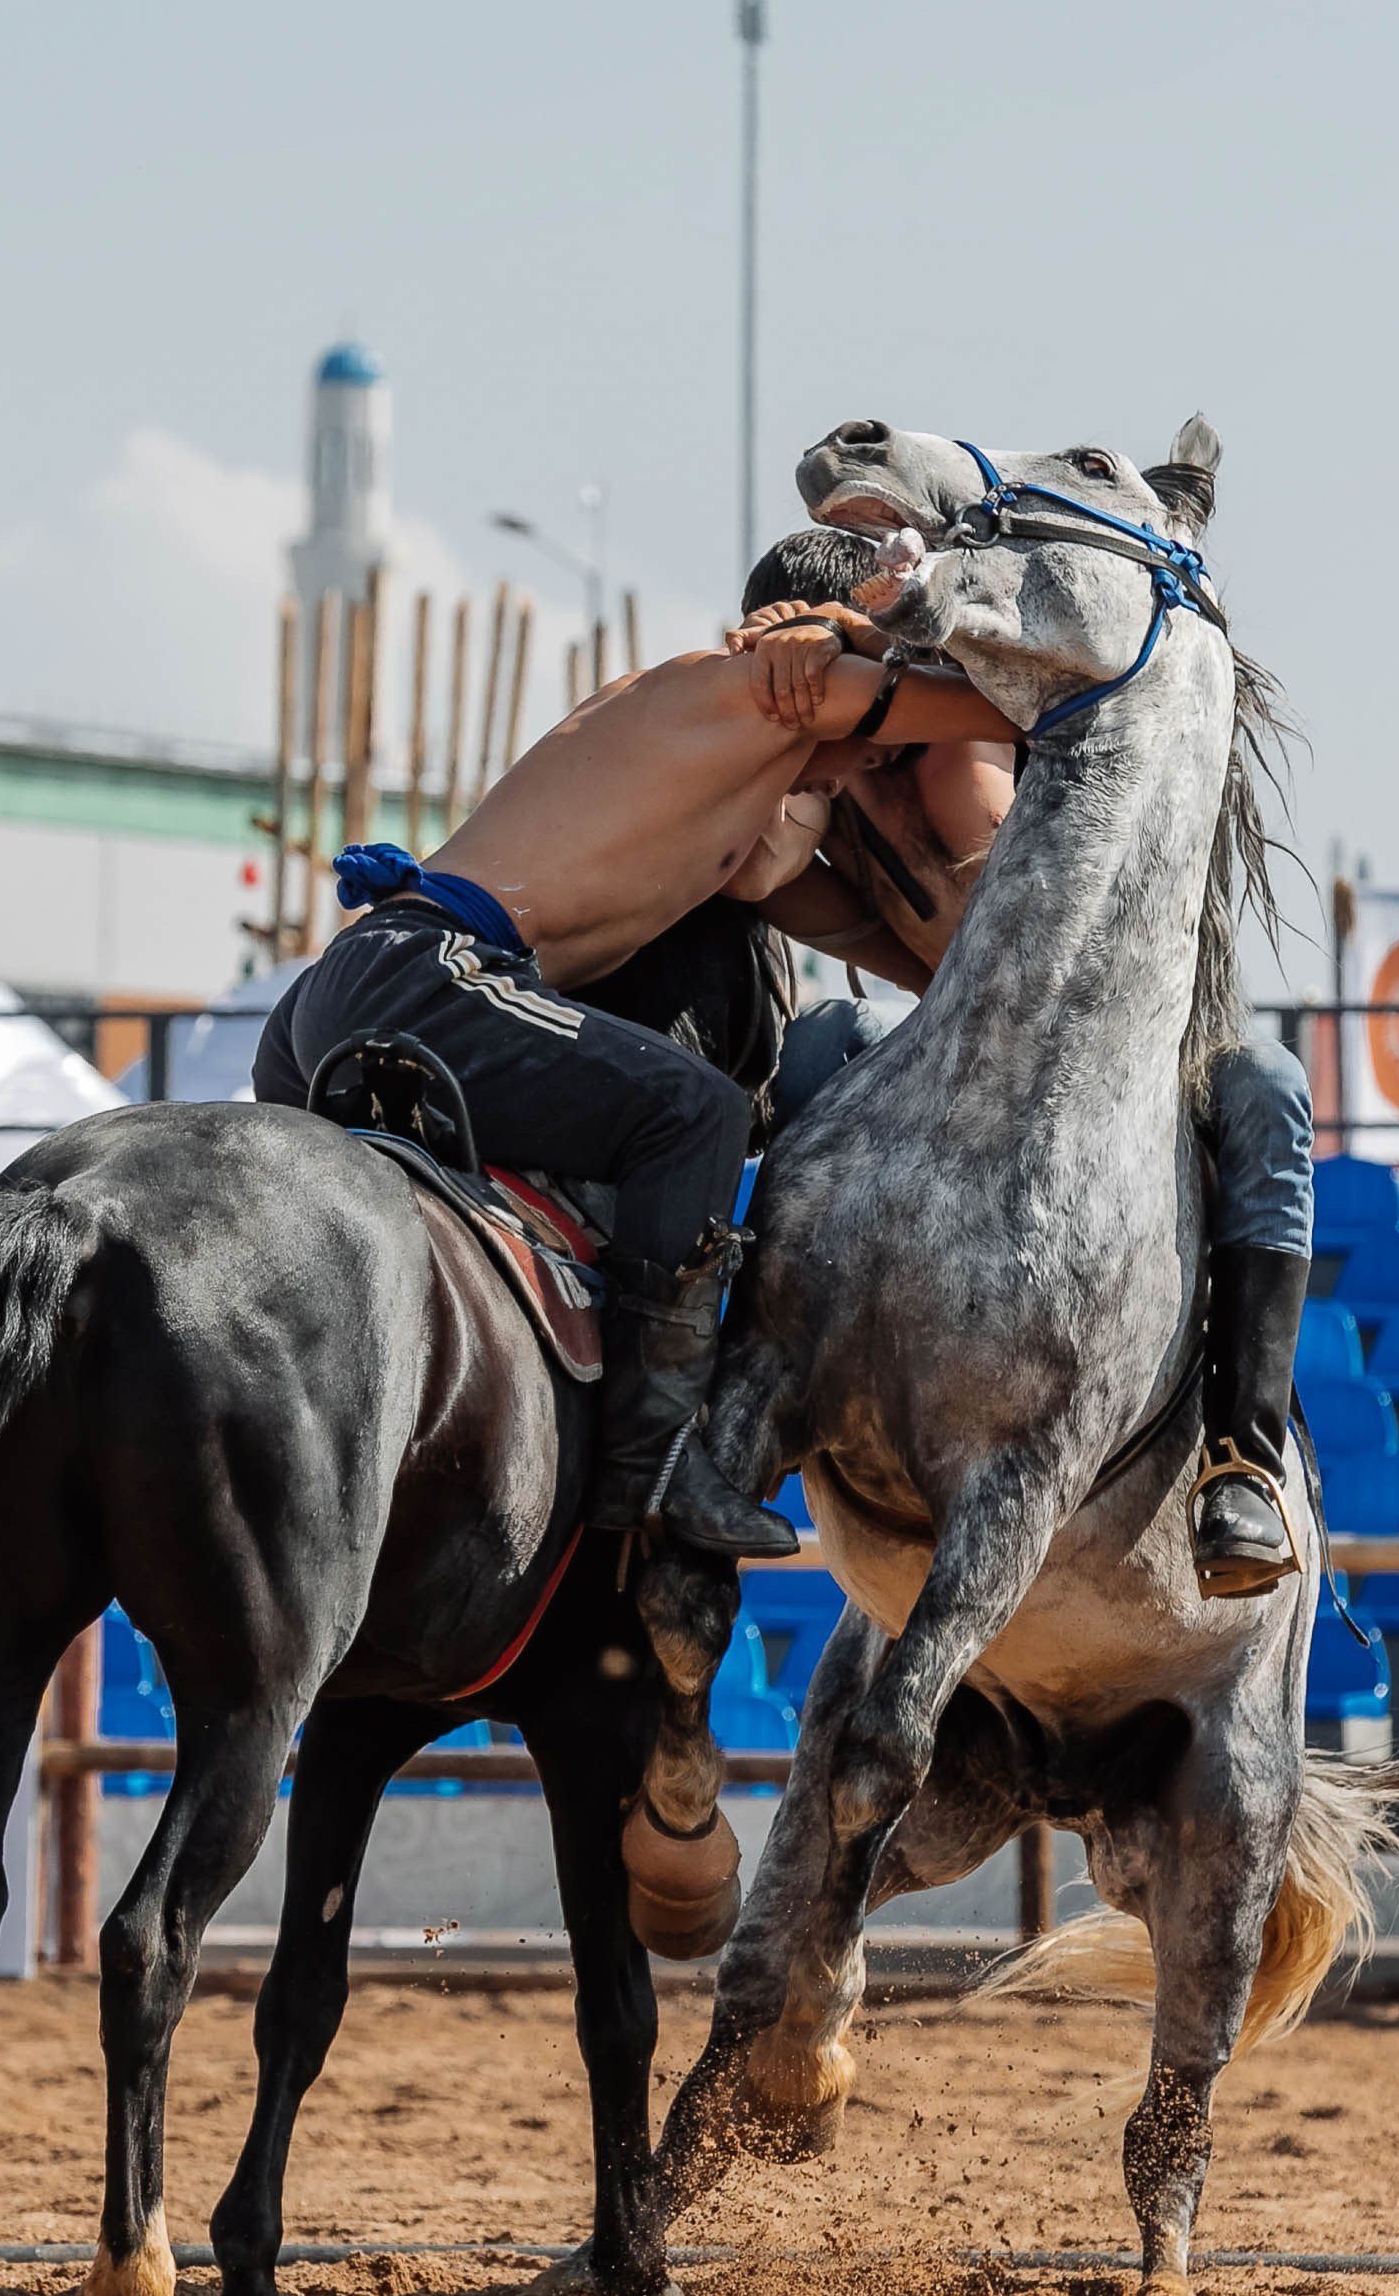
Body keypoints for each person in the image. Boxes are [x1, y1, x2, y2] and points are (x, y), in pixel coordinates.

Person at [254, 555, 1012, 1559]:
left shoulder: (727, 821)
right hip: (430, 969)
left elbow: (915, 959)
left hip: (347, 989)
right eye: (871, 763)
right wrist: (859, 636)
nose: (860, 788)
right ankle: (651, 1469)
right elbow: (993, 705)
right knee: (693, 1112)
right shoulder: (758, 689)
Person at [723, 527, 1315, 1600]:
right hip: (965, 1049)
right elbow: (765, 880)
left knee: (1267, 1089)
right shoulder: (836, 797)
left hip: (1138, 1035)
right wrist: (797, 769)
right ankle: (749, 1391)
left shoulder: (979, 721)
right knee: (823, 1044)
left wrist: (884, 642)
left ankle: (1243, 1457)